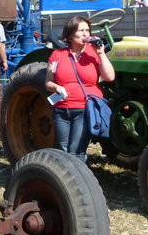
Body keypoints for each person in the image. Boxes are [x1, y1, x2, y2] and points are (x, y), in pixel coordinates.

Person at [45, 15, 115, 162]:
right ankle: (63, 182)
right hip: (61, 109)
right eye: (81, 30)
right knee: (63, 150)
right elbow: (48, 83)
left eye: (87, 30)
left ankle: (76, 182)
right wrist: (57, 87)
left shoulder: (94, 53)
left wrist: (101, 53)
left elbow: (109, 77)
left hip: (84, 109)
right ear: (70, 34)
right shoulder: (57, 55)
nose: (85, 34)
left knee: (76, 152)